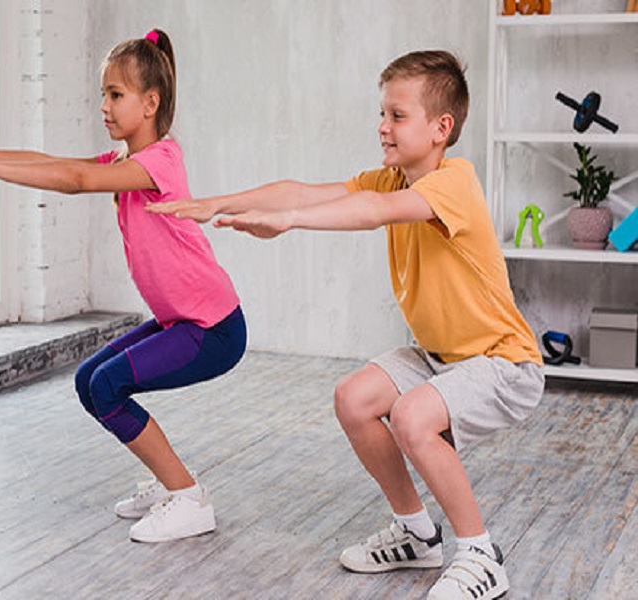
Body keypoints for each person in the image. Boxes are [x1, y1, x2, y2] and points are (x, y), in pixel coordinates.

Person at [147, 50, 544, 598]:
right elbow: (305, 191)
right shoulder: (390, 177)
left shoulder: (454, 181)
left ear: (440, 128)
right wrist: (214, 202)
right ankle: (415, 532)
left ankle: (480, 553)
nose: (383, 126)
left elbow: (372, 213)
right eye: (382, 114)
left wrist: (290, 223)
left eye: (397, 116)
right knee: (354, 398)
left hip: (504, 362)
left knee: (410, 417)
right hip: (438, 355)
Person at [0, 29, 246, 544]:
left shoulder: (160, 162)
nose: (104, 107)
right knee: (91, 379)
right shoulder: (126, 163)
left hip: (213, 327)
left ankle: (187, 498)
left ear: (150, 102)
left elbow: (75, 181)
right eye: (102, 95)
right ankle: (171, 483)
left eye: (115, 95)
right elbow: (49, 162)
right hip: (182, 320)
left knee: (107, 387)